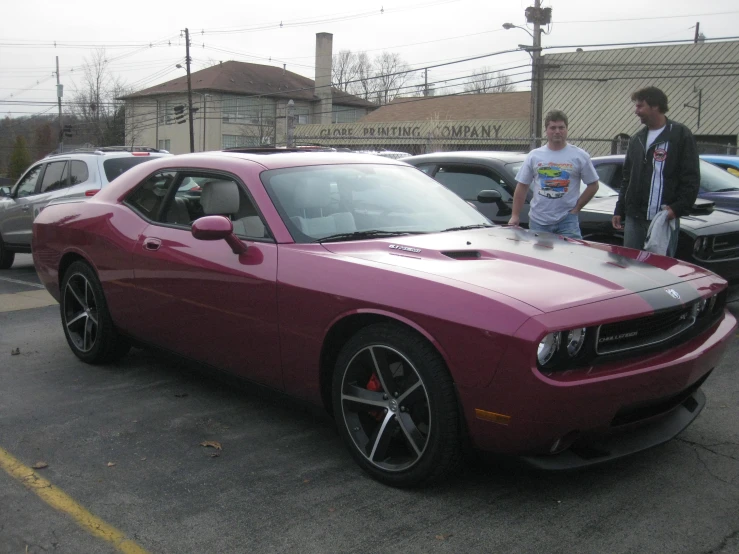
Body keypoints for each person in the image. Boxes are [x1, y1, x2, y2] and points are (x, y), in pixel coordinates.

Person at [612, 87, 700, 256]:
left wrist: (677, 209)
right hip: (634, 218)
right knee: (631, 265)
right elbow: (627, 178)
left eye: (640, 106)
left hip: (663, 217)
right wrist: (620, 209)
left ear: (655, 106)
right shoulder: (637, 139)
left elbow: (691, 178)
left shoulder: (680, 134)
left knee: (660, 270)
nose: (636, 111)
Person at [509, 110, 600, 239]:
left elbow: (593, 185)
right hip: (538, 221)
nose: (557, 131)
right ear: (546, 130)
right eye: (553, 127)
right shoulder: (534, 156)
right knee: (539, 259)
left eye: (561, 127)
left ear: (566, 129)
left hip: (567, 222)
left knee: (571, 257)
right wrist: (515, 215)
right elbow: (522, 186)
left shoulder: (580, 156)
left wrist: (576, 209)